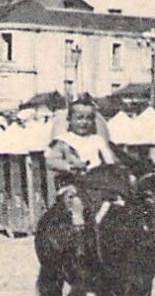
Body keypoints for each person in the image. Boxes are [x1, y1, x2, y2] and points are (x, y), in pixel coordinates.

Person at [45, 96, 131, 269]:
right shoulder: (63, 141)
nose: (84, 122)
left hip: (99, 182)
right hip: (73, 183)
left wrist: (118, 169)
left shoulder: (97, 140)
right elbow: (50, 161)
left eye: (89, 118)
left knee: (118, 203)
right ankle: (79, 245)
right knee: (77, 205)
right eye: (79, 118)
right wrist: (70, 166)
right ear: (70, 120)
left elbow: (110, 160)